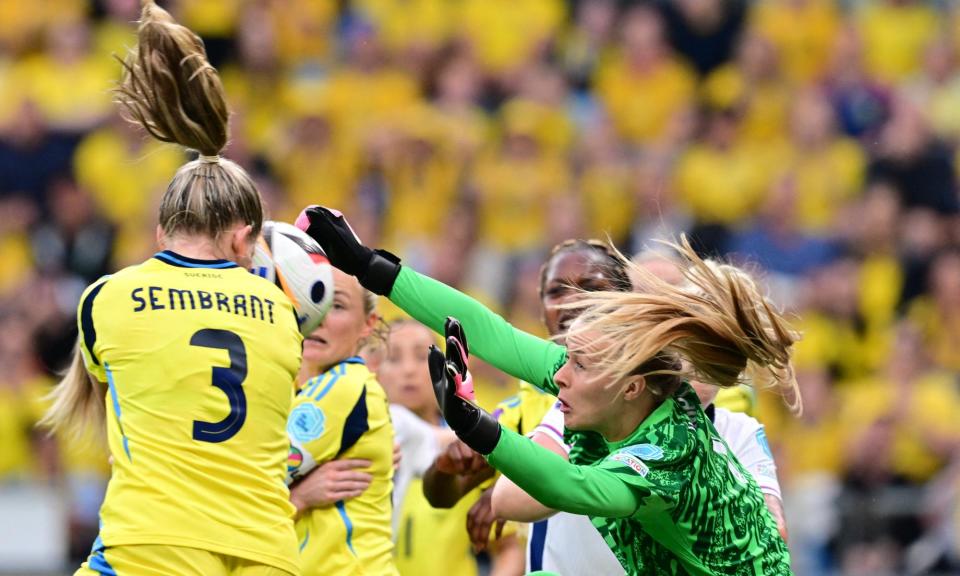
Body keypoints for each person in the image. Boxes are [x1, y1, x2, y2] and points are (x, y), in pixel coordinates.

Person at [296, 207, 795, 572]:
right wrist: (370, 266)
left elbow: (571, 487)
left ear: (630, 388)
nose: (559, 375)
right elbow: (489, 331)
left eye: (575, 364)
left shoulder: (673, 451)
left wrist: (479, 428)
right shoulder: (611, 378)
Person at [41, 3, 303, 574]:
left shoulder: (108, 299)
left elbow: (108, 389)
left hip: (153, 545)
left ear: (161, 230)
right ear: (245, 238)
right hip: (269, 552)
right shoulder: (282, 314)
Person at [429, 242, 796, 573]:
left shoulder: (729, 426)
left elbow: (771, 530)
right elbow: (470, 494)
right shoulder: (566, 394)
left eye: (675, 309)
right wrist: (469, 454)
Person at [285, 268, 396, 576]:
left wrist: (298, 497)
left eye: (337, 305)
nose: (317, 315)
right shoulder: (290, 391)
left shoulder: (343, 385)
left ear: (368, 324)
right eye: (311, 296)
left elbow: (250, 486)